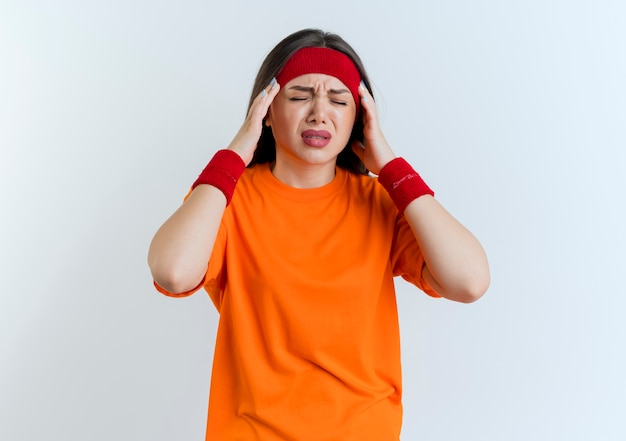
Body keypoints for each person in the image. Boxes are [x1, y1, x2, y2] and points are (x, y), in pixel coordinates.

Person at [148, 28, 490, 441]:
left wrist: (393, 169)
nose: (318, 112)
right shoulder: (227, 202)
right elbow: (173, 271)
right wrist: (236, 152)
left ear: (359, 117)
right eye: (299, 96)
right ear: (267, 111)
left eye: (339, 100)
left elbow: (470, 281)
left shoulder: (381, 203)